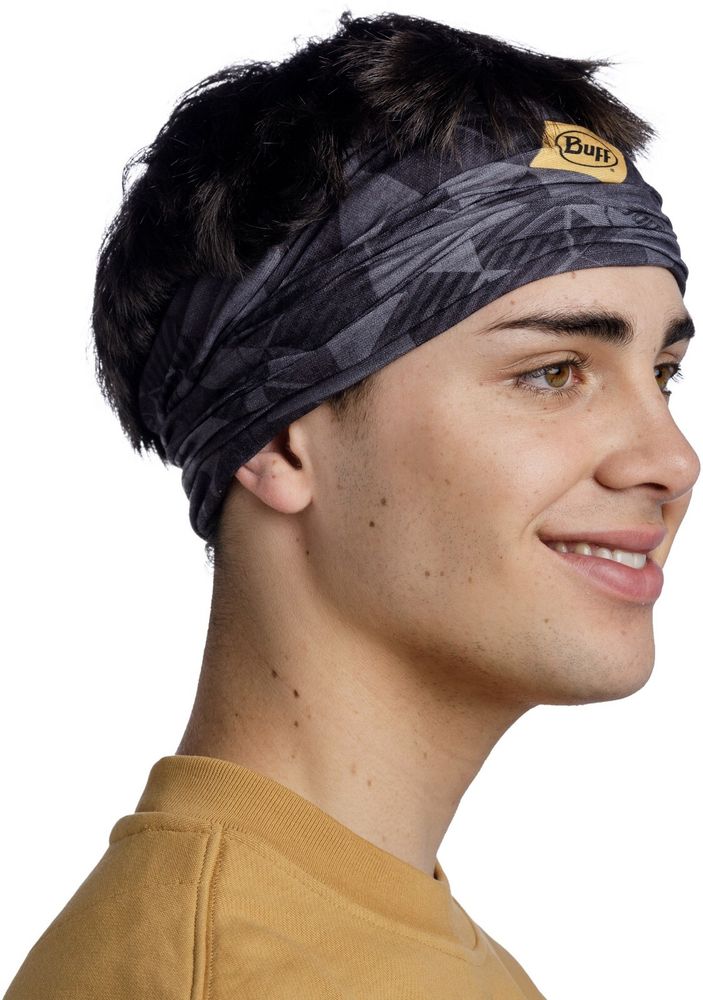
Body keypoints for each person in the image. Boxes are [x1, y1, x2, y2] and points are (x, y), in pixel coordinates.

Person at [4, 11, 698, 1000]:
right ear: (280, 440)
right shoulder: (230, 975)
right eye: (552, 372)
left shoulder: (367, 936)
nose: (671, 460)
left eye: (662, 374)